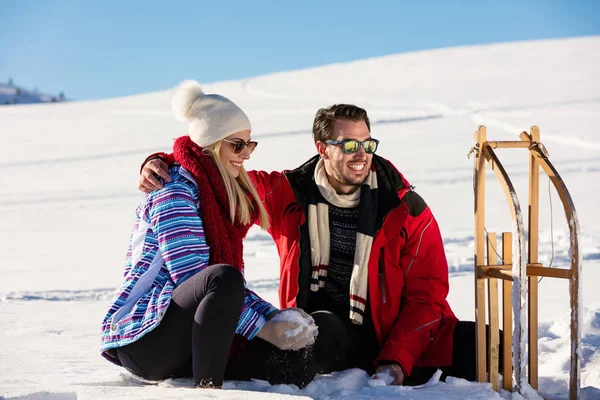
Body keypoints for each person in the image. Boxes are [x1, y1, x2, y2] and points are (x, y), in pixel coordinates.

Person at [139, 104, 503, 386]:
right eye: (348, 145)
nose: (361, 154)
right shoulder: (287, 192)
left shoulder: (405, 208)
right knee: (318, 335)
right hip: (322, 333)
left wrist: (396, 359)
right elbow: (219, 176)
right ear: (322, 149)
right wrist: (167, 164)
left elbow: (427, 296)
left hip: (395, 335)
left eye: (366, 144)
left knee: (492, 347)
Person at [101, 80, 318, 389]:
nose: (246, 155)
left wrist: (277, 320)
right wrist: (263, 326)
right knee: (223, 278)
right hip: (146, 340)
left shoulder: (225, 193)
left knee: (295, 364)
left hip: (190, 338)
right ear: (212, 142)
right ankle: (208, 392)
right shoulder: (173, 190)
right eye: (237, 144)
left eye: (250, 144)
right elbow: (199, 278)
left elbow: (225, 296)